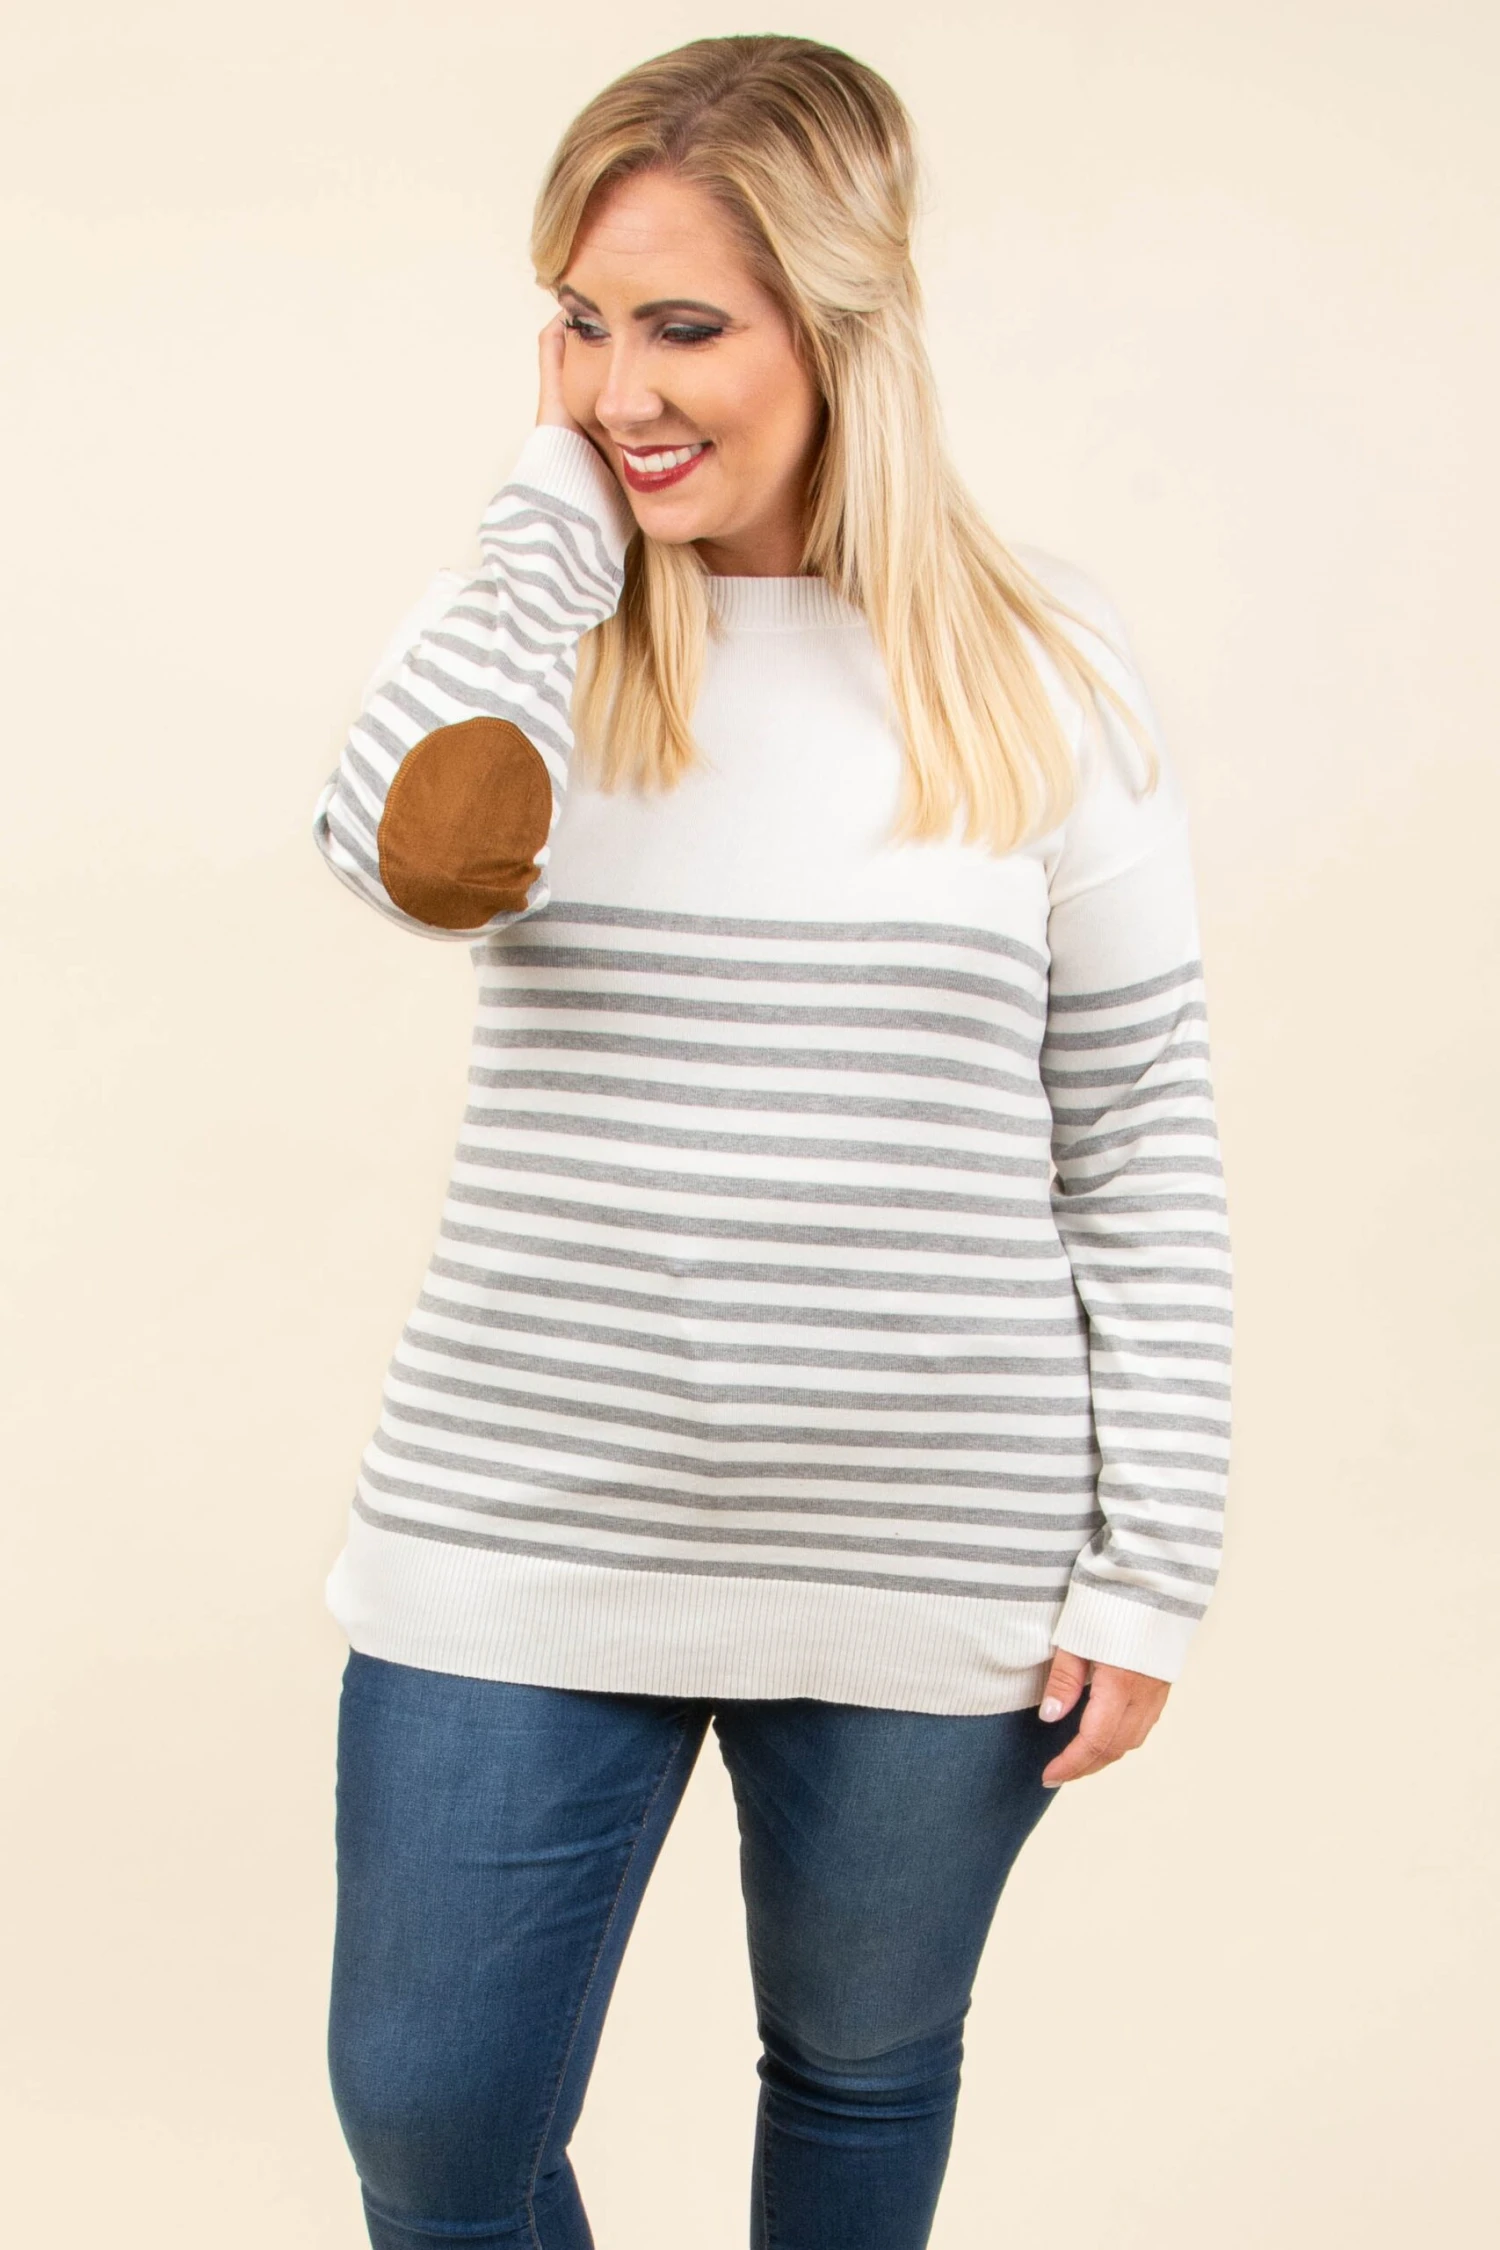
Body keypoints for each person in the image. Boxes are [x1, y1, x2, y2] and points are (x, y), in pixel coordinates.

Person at [310, 33, 1234, 2250]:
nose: (619, 389)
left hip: (932, 1545)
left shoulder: (1043, 665)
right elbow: (398, 858)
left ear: (838, 328)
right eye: (579, 322)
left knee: (858, 2073)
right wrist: (543, 534)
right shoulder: (531, 638)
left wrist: (1151, 1560)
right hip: (527, 1508)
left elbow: (1138, 1131)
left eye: (683, 328)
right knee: (432, 2127)